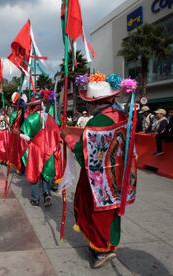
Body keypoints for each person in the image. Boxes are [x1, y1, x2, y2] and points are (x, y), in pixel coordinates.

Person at [61, 73, 137, 269]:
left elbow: (83, 152)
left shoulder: (97, 123)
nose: (88, 106)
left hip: (98, 181)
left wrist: (67, 139)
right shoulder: (122, 117)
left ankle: (101, 249)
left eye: (89, 102)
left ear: (95, 103)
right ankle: (110, 244)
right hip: (118, 177)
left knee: (95, 212)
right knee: (112, 213)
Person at [20, 91, 62, 207]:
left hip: (36, 150)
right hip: (49, 149)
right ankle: (47, 194)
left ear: (33, 106)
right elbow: (57, 134)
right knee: (46, 174)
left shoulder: (30, 119)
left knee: (35, 174)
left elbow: (25, 136)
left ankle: (35, 198)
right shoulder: (50, 119)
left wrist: (21, 136)